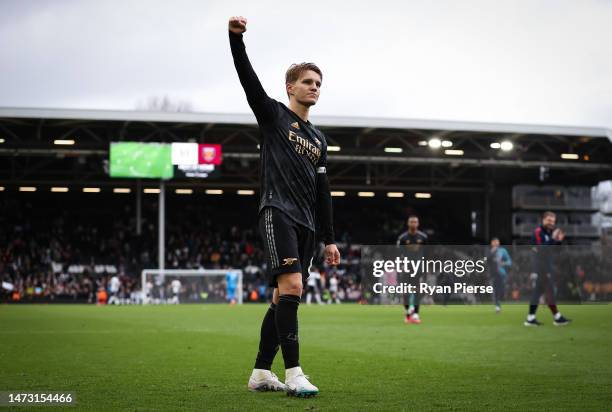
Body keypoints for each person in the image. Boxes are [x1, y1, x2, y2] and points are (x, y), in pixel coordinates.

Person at [228, 16, 341, 397]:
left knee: (282, 298)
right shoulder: (275, 116)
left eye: (319, 84)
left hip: (309, 225)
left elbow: (323, 190)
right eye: (308, 82)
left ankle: (261, 372)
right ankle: (294, 373)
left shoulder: (319, 139)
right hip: (278, 212)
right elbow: (248, 81)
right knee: (291, 285)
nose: (315, 88)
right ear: (290, 86)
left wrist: (329, 239)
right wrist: (236, 40)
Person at [524, 211, 571, 326]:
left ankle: (530, 318)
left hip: (547, 266)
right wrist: (554, 239)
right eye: (549, 220)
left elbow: (552, 250)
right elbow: (542, 249)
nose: (551, 223)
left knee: (537, 292)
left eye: (553, 221)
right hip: (542, 266)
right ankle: (557, 318)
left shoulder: (548, 234)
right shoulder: (538, 232)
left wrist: (558, 241)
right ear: (543, 220)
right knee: (549, 291)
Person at [396, 215, 427, 324]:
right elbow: (398, 253)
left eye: (415, 222)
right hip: (406, 268)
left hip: (418, 268)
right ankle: (408, 313)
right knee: (406, 292)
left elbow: (427, 253)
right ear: (408, 223)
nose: (413, 224)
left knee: (418, 291)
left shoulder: (423, 238)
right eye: (411, 222)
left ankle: (416, 314)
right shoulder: (403, 238)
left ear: (418, 224)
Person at [488, 237, 512, 313]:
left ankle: (498, 302)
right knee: (496, 290)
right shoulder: (489, 251)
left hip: (502, 273)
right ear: (491, 243)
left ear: (499, 243)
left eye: (497, 242)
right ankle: (497, 307)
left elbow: (509, 261)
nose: (495, 243)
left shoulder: (503, 251)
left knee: (501, 290)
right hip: (493, 273)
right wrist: (491, 253)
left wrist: (503, 263)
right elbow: (486, 261)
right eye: (494, 242)